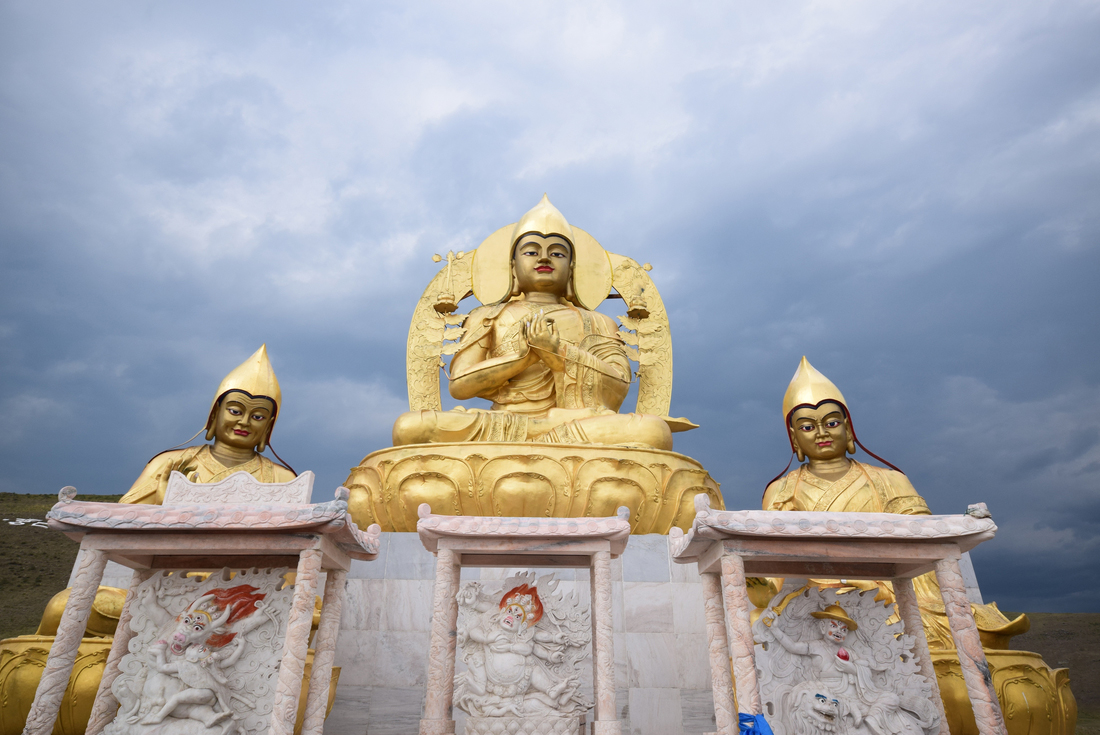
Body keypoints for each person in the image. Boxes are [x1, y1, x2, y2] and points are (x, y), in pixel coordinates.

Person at [763, 357, 1026, 649]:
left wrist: (964, 526)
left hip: (892, 585)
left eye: (832, 422)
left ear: (848, 429)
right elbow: (772, 564)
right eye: (808, 427)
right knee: (776, 630)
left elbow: (923, 544)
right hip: (821, 594)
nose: (822, 433)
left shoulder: (890, 480)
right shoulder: (782, 489)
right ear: (794, 438)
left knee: (948, 626)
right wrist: (761, 590)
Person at [392, 195, 672, 449]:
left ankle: (546, 438)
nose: (544, 257)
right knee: (410, 427)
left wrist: (557, 353)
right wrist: (522, 358)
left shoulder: (598, 322)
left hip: (576, 423)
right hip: (501, 424)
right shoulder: (488, 315)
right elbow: (459, 386)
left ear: (573, 269)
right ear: (512, 267)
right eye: (531, 251)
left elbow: (619, 387)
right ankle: (548, 441)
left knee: (654, 431)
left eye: (558, 253)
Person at [120, 345, 295, 505]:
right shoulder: (169, 465)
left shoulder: (282, 479)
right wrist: (166, 506)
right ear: (215, 413)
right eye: (235, 411)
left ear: (269, 425)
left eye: (257, 416)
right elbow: (122, 523)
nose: (244, 422)